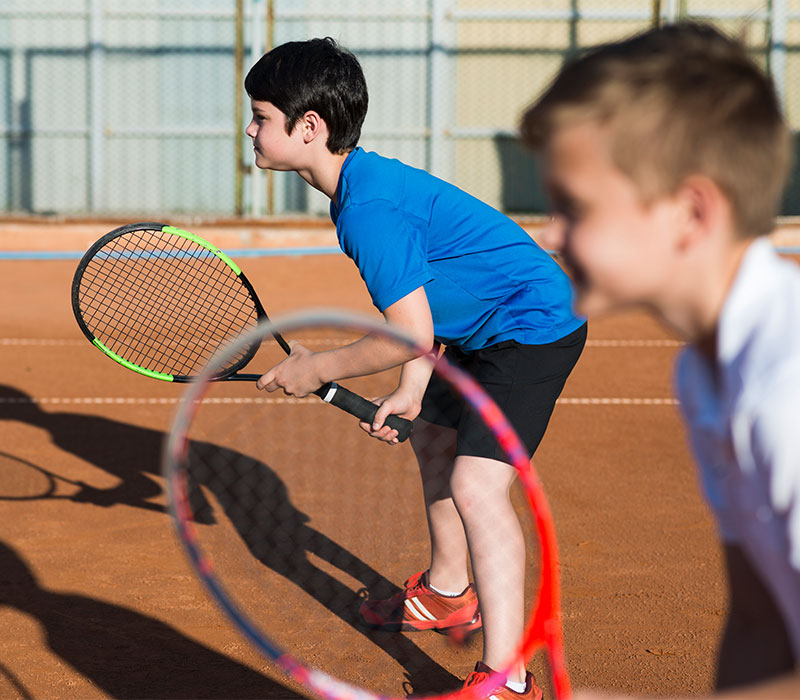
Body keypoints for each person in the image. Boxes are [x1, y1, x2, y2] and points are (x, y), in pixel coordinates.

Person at [245, 37, 587, 698]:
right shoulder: (361, 187)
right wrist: (411, 387)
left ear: (308, 128)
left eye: (260, 116)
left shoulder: (368, 211)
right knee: (430, 436)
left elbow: (408, 333)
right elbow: (423, 323)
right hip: (479, 325)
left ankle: (507, 678)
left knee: (479, 487)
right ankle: (449, 594)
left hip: (531, 328)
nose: (251, 130)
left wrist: (320, 367)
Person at [520, 21, 800, 699]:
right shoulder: (703, 371)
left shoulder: (785, 388)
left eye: (573, 206)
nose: (549, 233)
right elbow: (761, 622)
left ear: (689, 213)